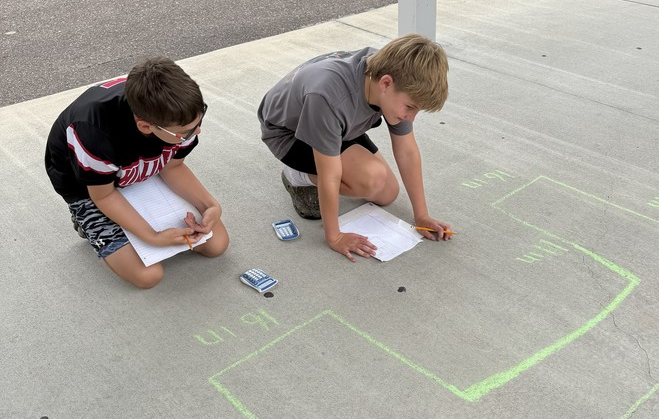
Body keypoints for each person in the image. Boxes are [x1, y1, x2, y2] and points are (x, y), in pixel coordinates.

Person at [258, 34, 452, 262]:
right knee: (370, 178)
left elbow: (407, 151)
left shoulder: (397, 77)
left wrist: (422, 215)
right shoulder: (329, 96)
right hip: (289, 132)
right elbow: (331, 174)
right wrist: (335, 236)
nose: (411, 117)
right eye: (410, 108)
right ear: (386, 83)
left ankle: (325, 166)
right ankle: (297, 176)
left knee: (387, 192)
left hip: (337, 125)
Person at [45, 57, 229, 289]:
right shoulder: (94, 132)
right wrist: (151, 236)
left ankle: (138, 194)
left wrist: (210, 205)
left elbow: (174, 166)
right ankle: (85, 222)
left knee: (217, 244)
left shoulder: (180, 115)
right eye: (185, 132)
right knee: (148, 276)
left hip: (138, 170)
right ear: (145, 126)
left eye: (199, 121)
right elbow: (103, 195)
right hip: (92, 188)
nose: (197, 131)